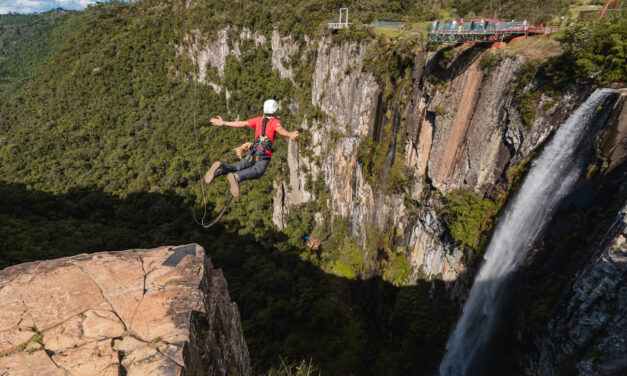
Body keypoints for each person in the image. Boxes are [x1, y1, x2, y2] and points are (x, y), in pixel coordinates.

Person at [204, 99, 299, 197]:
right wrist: (290, 134)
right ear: (274, 111)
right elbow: (280, 130)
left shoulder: (258, 119)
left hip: (252, 151)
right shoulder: (275, 122)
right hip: (263, 153)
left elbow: (242, 123)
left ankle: (221, 168)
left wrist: (223, 122)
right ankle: (237, 177)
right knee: (258, 171)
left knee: (237, 167)